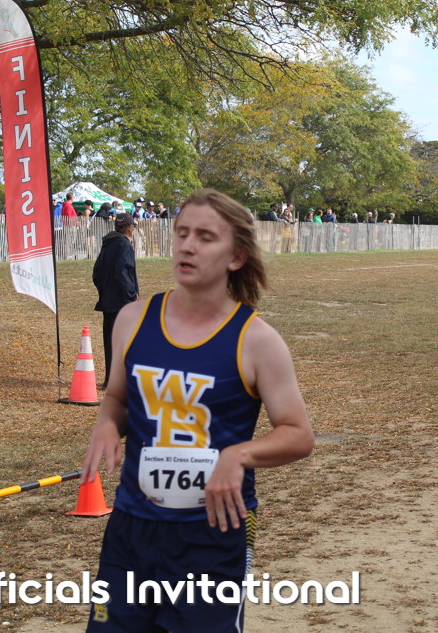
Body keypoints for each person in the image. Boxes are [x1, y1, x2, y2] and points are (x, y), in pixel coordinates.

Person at [81, 189, 314, 631]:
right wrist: (107, 425)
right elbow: (117, 398)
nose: (187, 246)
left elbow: (298, 434)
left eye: (205, 237)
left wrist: (238, 455)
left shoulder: (256, 341)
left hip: (213, 533)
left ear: (236, 257)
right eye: (182, 233)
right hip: (132, 527)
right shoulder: (133, 319)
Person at [93, 212, 139, 389]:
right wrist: (132, 294)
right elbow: (123, 272)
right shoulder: (123, 245)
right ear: (130, 228)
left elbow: (96, 273)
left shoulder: (108, 243)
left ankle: (109, 379)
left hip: (108, 300)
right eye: (133, 227)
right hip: (122, 301)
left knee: (110, 341)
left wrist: (104, 290)